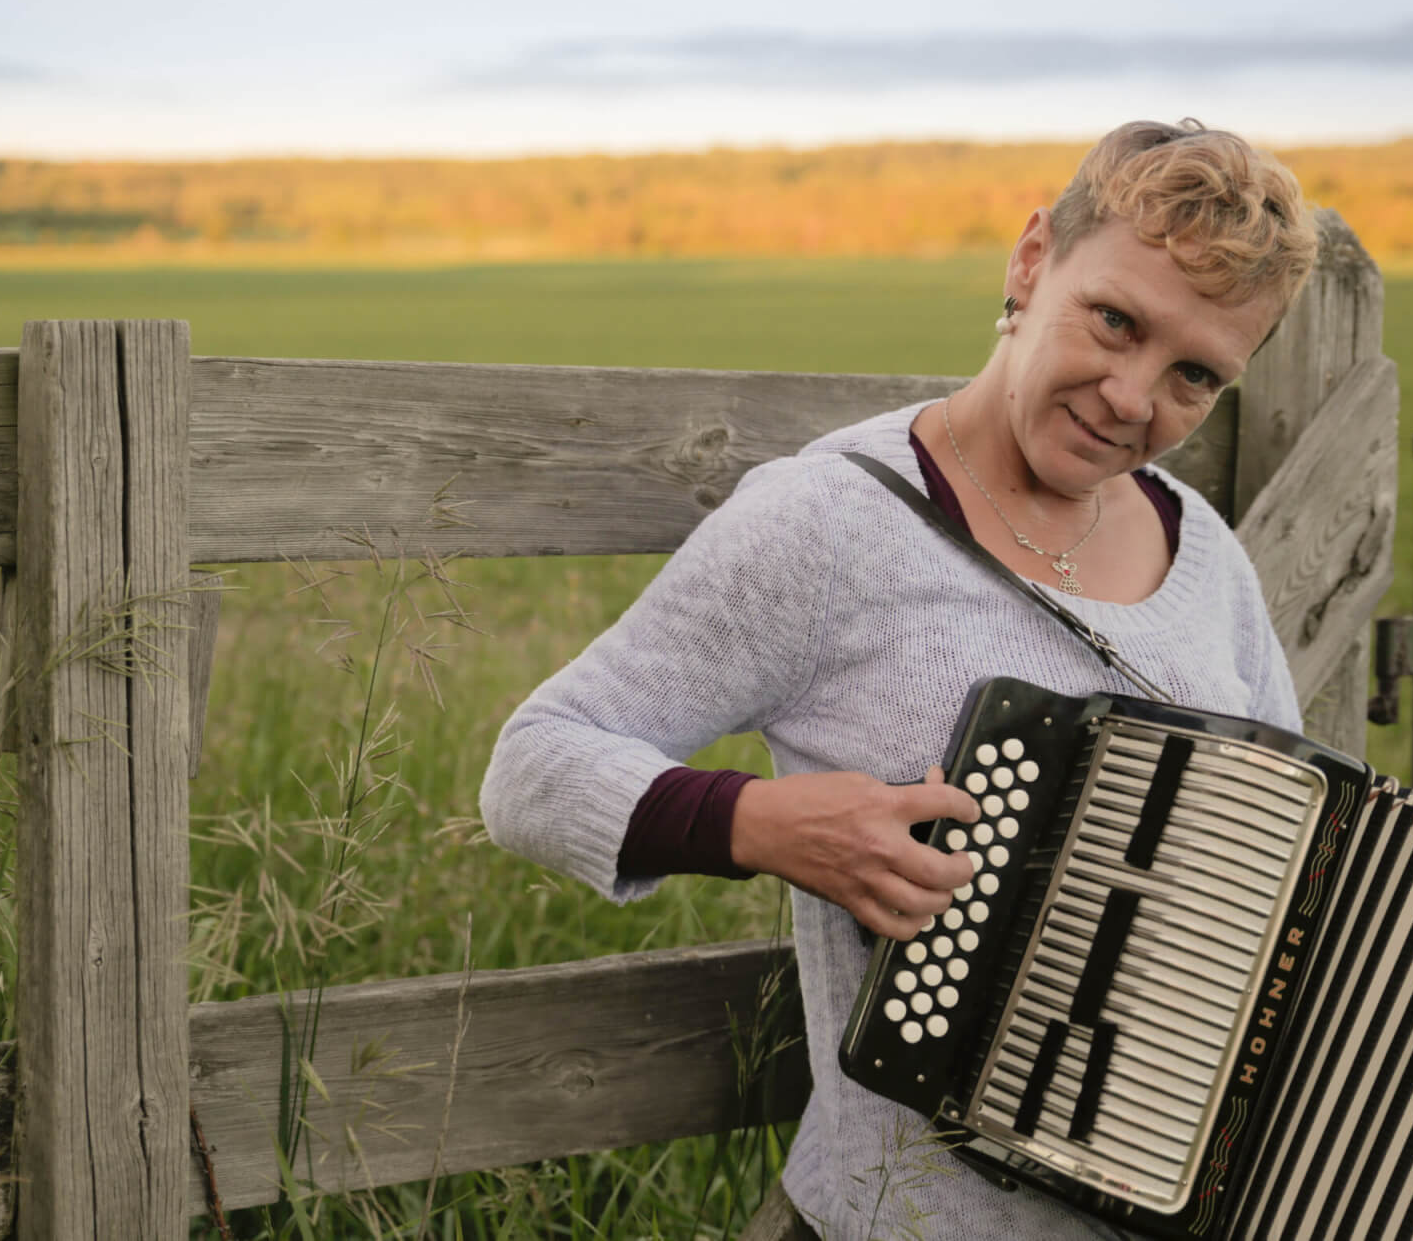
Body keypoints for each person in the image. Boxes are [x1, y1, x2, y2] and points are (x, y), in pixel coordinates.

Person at [480, 118, 1321, 1239]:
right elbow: (534, 765)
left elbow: (1305, 874)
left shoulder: (1202, 548)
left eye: (1193, 377)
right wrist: (759, 824)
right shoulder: (828, 521)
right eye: (1113, 321)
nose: (1131, 398)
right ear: (1031, 262)